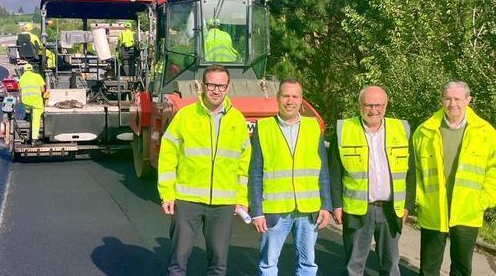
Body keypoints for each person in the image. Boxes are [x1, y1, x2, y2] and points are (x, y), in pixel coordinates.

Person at [158, 65, 251, 276]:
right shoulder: (185, 116)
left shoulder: (237, 119)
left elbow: (243, 163)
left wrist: (242, 198)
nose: (216, 90)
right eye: (211, 85)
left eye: (221, 85)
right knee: (178, 262)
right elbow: (168, 154)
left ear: (228, 87)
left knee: (218, 264)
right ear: (202, 86)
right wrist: (167, 194)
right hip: (187, 200)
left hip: (223, 204)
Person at [412, 81, 496, 276]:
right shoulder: (424, 131)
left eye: (457, 99)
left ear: (468, 100)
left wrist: (484, 200)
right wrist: (419, 200)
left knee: (461, 268)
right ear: (441, 100)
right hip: (433, 210)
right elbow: (413, 171)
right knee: (429, 268)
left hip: (468, 210)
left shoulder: (485, 132)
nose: (452, 103)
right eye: (448, 98)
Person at [249, 77, 331, 276]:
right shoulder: (264, 127)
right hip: (275, 210)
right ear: (277, 98)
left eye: (295, 96)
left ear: (301, 100)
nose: (290, 100)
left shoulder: (313, 128)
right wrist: (257, 211)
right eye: (286, 95)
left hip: (308, 210)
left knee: (308, 265)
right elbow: (256, 172)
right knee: (268, 264)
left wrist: (326, 205)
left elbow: (323, 170)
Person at [329, 86, 414, 276]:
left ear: (386, 105)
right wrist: (336, 205)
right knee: (354, 265)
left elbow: (411, 173)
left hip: (391, 210)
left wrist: (408, 205)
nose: (374, 110)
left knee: (391, 264)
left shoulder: (402, 129)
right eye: (368, 105)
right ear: (360, 105)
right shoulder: (344, 130)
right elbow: (334, 173)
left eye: (378, 105)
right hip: (358, 210)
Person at [18, 63, 47, 142]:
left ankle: (27, 114)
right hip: (36, 101)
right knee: (36, 117)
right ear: (32, 69)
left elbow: (20, 92)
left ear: (24, 70)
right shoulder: (37, 76)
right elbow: (43, 90)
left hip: (26, 101)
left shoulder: (21, 78)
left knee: (28, 107)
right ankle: (34, 138)